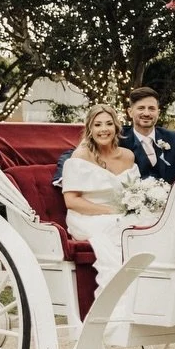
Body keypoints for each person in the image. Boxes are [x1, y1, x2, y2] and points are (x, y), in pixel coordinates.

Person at [60, 104, 138, 291]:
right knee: (117, 227)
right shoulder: (80, 156)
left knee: (147, 225)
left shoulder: (128, 156)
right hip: (85, 217)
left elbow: (134, 192)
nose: (104, 129)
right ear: (90, 129)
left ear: (116, 127)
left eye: (108, 124)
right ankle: (118, 290)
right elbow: (71, 201)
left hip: (121, 213)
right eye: (98, 125)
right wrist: (110, 211)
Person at [52, 85, 175, 187]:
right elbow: (73, 154)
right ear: (130, 112)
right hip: (133, 206)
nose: (146, 113)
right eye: (141, 108)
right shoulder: (116, 137)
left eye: (151, 108)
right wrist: (63, 178)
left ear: (158, 112)